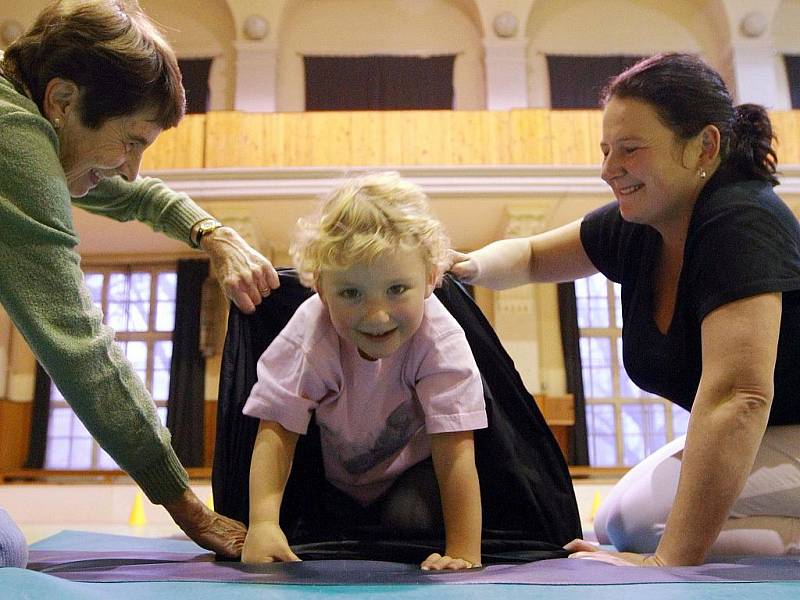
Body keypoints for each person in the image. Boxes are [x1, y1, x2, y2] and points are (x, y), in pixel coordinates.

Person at [448, 53, 800, 566]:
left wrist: (669, 562)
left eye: (630, 150)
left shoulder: (741, 219)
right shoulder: (640, 224)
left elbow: (738, 397)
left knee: (645, 526)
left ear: (705, 145)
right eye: (607, 150)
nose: (609, 169)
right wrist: (460, 266)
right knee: (618, 520)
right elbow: (529, 257)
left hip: (778, 426)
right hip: (782, 432)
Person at [0, 0, 280, 567]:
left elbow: (131, 193)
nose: (131, 166)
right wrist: (191, 510)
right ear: (61, 100)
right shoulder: (14, 140)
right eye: (132, 141)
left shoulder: (29, 115)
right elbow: (77, 344)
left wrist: (211, 232)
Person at [240, 172, 487, 570]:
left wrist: (462, 552)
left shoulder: (439, 339)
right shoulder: (312, 332)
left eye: (396, 290)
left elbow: (455, 449)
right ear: (321, 288)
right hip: (329, 481)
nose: (376, 315)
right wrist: (263, 523)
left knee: (410, 519)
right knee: (300, 526)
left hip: (408, 479)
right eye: (351, 293)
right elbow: (278, 429)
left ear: (429, 278)